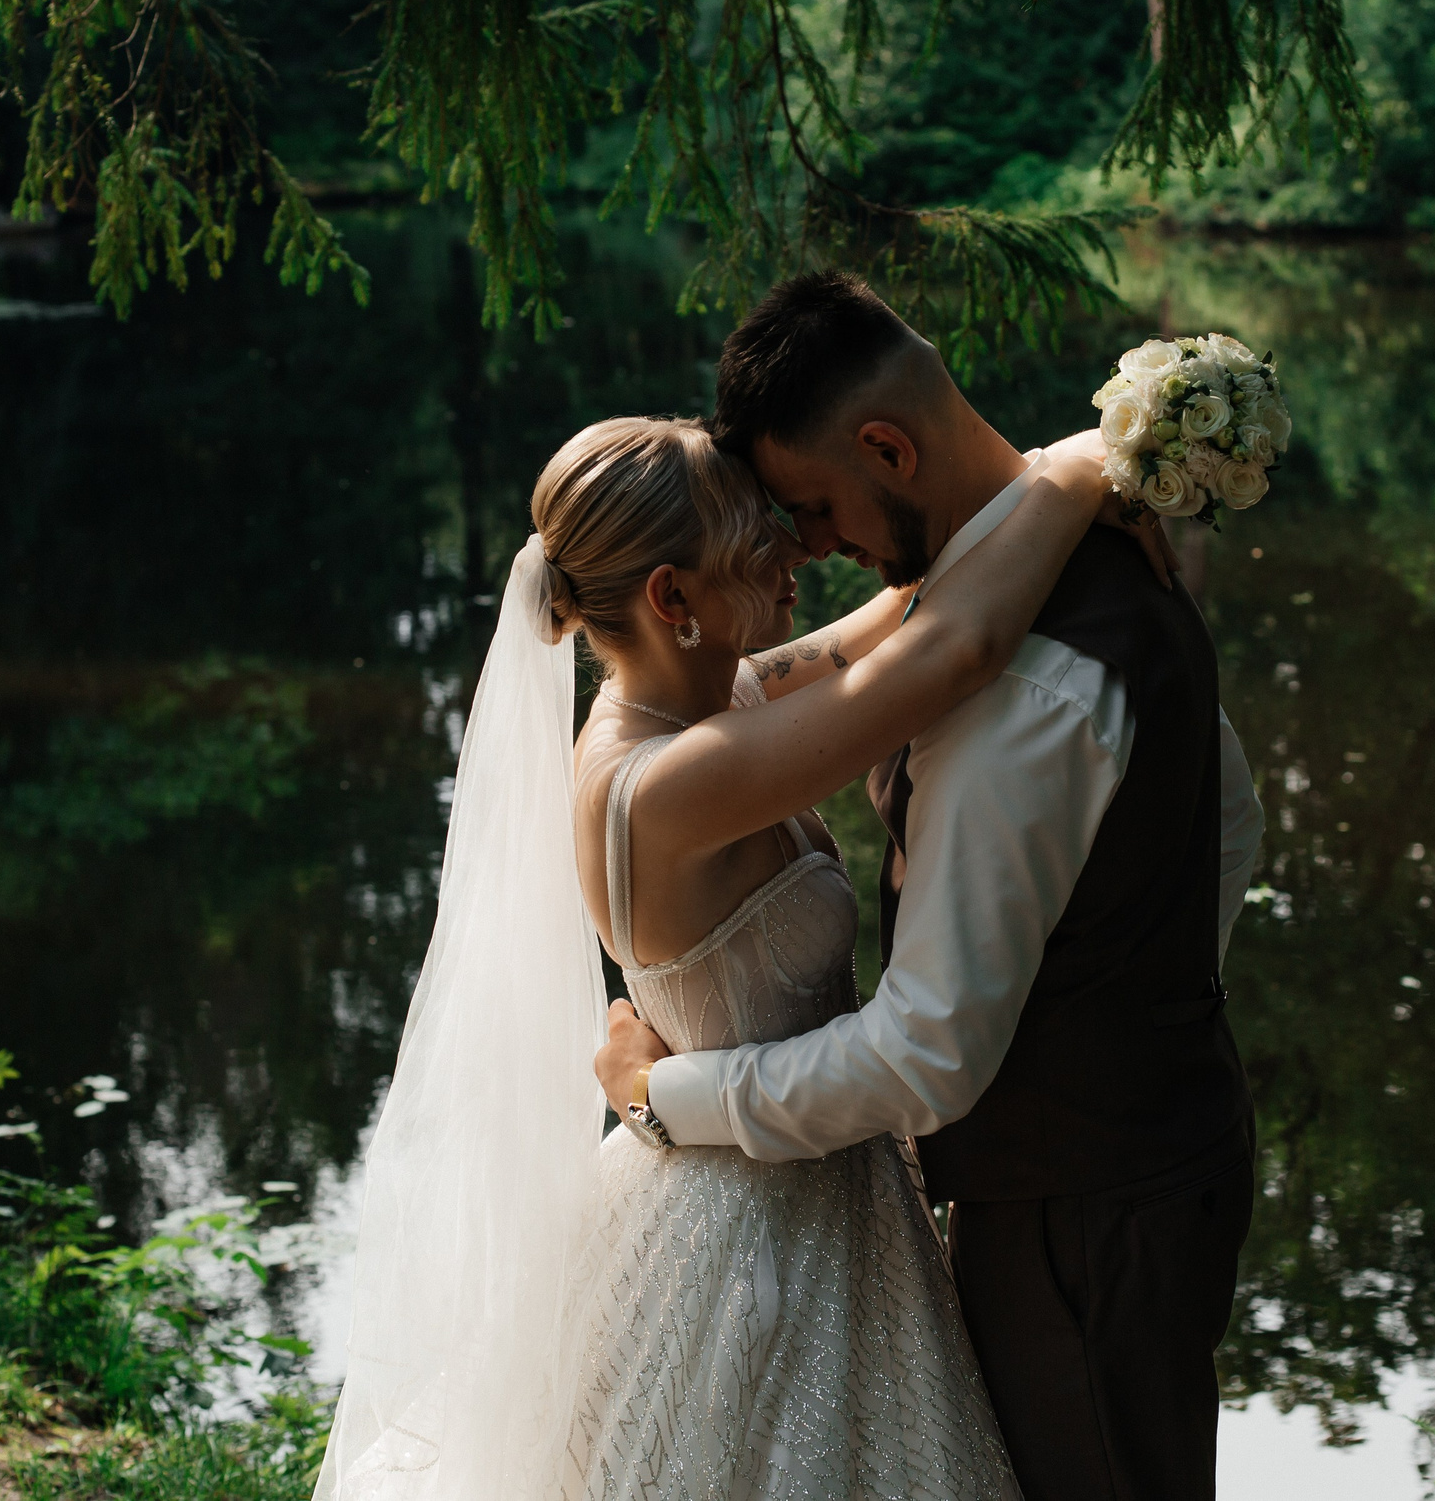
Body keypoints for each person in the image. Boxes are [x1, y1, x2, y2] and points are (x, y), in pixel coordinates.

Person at [315, 409, 1163, 1501]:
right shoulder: (664, 787)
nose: (796, 557)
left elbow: (909, 609)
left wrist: (1059, 463)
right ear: (674, 600)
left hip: (813, 1184)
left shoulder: (723, 704)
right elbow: (957, 651)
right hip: (740, 1232)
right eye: (759, 548)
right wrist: (1095, 463)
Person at [595, 271, 1266, 1501]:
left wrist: (663, 1098)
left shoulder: (1016, 692)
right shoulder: (1119, 581)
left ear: (887, 446)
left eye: (811, 507)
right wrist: (1143, 1000)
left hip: (1080, 1207)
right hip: (1154, 1154)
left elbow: (923, 1057)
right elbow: (1232, 825)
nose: (807, 549)